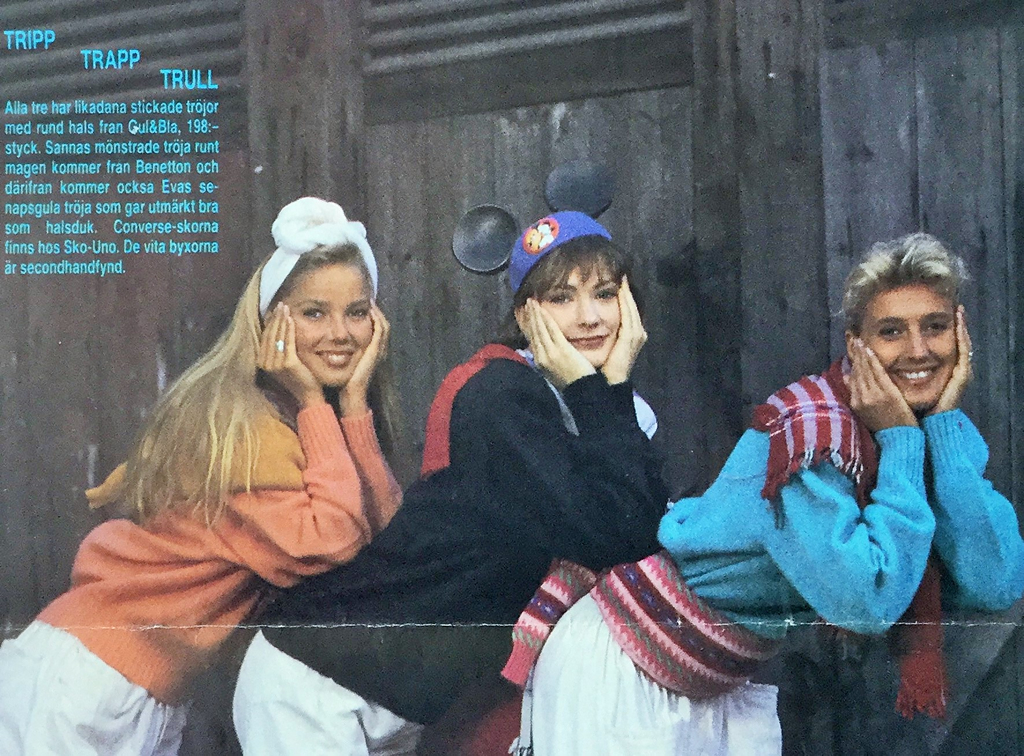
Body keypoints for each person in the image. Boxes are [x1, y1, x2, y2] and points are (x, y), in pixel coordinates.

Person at [514, 232, 1024, 755]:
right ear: (856, 345)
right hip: (621, 661)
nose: (918, 350)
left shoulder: (919, 437)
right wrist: (901, 440)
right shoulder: (811, 434)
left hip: (701, 674)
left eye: (935, 327)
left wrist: (938, 428)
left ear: (961, 333)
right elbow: (866, 603)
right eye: (891, 331)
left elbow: (997, 582)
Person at [231, 211, 668, 755]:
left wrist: (610, 387)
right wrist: (597, 389)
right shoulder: (498, 395)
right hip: (310, 685)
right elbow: (619, 536)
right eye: (561, 298)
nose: (589, 317)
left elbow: (644, 529)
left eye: (605, 294)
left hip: (384, 699)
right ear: (525, 315)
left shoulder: (600, 410)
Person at [0, 197, 401, 756]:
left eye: (357, 312)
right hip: (85, 679)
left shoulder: (306, 426)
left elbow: (385, 545)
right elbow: (331, 542)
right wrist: (317, 402)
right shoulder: (245, 424)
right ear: (270, 323)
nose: (340, 332)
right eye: (314, 313)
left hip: (143, 690)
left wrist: (353, 408)